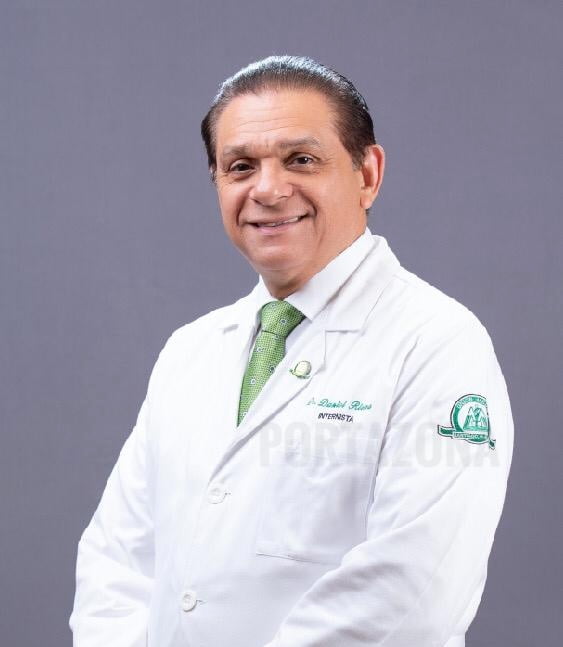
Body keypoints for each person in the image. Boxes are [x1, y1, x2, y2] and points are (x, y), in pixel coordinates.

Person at [69, 55, 513, 647]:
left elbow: (415, 590)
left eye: (301, 159)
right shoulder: (190, 351)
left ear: (367, 174)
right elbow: (117, 561)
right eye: (240, 167)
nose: (268, 190)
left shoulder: (437, 344)